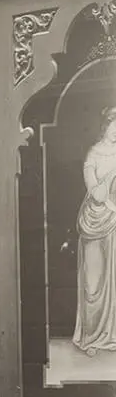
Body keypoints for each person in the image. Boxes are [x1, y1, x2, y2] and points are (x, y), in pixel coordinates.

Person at [72, 105, 116, 355]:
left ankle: (112, 335)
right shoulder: (93, 155)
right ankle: (91, 337)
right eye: (114, 126)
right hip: (95, 221)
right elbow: (97, 193)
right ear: (106, 125)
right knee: (93, 283)